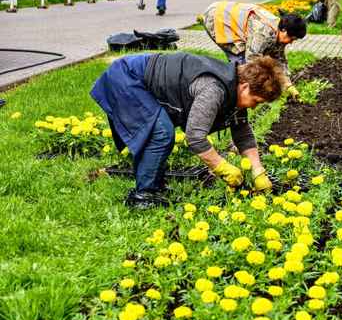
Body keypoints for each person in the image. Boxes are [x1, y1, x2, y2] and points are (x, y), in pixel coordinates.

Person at [90, 53, 286, 209]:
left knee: (160, 131)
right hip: (127, 78)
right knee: (161, 133)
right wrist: (222, 167)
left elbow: (242, 131)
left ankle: (154, 187)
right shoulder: (214, 90)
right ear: (244, 87)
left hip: (133, 78)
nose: (253, 108)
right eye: (256, 101)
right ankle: (143, 195)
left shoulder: (233, 88)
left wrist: (258, 170)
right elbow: (195, 137)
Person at [201, 1, 307, 96]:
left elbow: (279, 58)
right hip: (217, 18)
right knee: (240, 61)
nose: (292, 42)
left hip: (227, 14)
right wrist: (263, 85)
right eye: (292, 39)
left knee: (256, 60)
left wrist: (287, 84)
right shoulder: (263, 33)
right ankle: (238, 96)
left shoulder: (281, 30)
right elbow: (252, 59)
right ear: (284, 30)